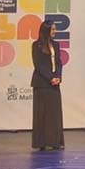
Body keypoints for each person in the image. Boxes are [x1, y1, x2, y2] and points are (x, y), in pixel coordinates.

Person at [31, 20, 64, 150]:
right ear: (46, 31)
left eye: (55, 29)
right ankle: (41, 143)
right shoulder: (37, 45)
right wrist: (51, 77)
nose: (55, 31)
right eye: (53, 29)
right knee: (42, 114)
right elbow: (38, 65)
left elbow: (59, 63)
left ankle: (55, 141)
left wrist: (58, 77)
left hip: (54, 84)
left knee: (54, 114)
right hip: (42, 83)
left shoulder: (56, 45)